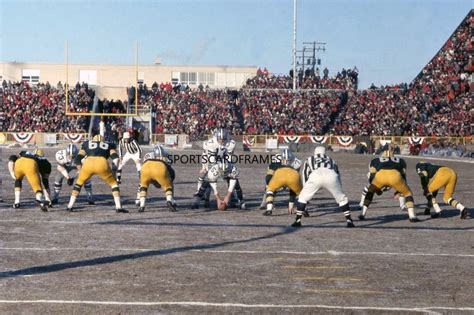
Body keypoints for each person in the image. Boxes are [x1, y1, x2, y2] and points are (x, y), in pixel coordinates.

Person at [292, 146, 354, 228]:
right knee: (342, 199)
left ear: (315, 152)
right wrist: (339, 188)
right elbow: (337, 174)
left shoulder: (310, 159)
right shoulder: (331, 160)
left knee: (302, 198)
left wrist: (306, 187)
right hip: (331, 175)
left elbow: (305, 175)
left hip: (316, 175)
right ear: (325, 153)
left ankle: (298, 220)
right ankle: (349, 220)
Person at [67, 134, 127, 213]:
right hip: (102, 163)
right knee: (114, 184)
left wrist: (80, 170)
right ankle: (118, 207)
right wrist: (114, 171)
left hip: (88, 163)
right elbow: (116, 159)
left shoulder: (86, 144)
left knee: (79, 183)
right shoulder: (108, 145)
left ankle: (70, 205)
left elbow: (77, 159)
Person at [359, 146, 418, 222]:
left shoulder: (375, 160)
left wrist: (375, 189)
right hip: (395, 176)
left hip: (381, 176)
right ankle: (412, 216)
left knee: (370, 192)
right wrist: (399, 191)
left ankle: (362, 214)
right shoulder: (401, 161)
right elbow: (403, 176)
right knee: (408, 193)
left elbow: (372, 176)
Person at [262, 149, 302, 216]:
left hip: (280, 176)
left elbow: (269, 176)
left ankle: (269, 207)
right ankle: (297, 208)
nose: (287, 162)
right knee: (299, 192)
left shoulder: (297, 161)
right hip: (285, 176)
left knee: (270, 188)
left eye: (289, 160)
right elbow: (269, 175)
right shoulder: (277, 160)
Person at [138, 145, 177, 212]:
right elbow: (170, 170)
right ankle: (169, 200)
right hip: (160, 169)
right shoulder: (167, 157)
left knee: (143, 186)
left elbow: (143, 166)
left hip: (145, 168)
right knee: (168, 186)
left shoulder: (147, 156)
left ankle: (141, 205)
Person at [116, 131, 142, 205]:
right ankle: (118, 178)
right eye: (125, 139)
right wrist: (120, 157)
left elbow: (139, 149)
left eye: (127, 138)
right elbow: (120, 149)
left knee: (138, 166)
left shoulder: (133, 141)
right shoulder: (121, 141)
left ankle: (141, 178)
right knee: (120, 164)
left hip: (135, 153)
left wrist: (139, 158)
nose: (126, 140)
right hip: (128, 153)